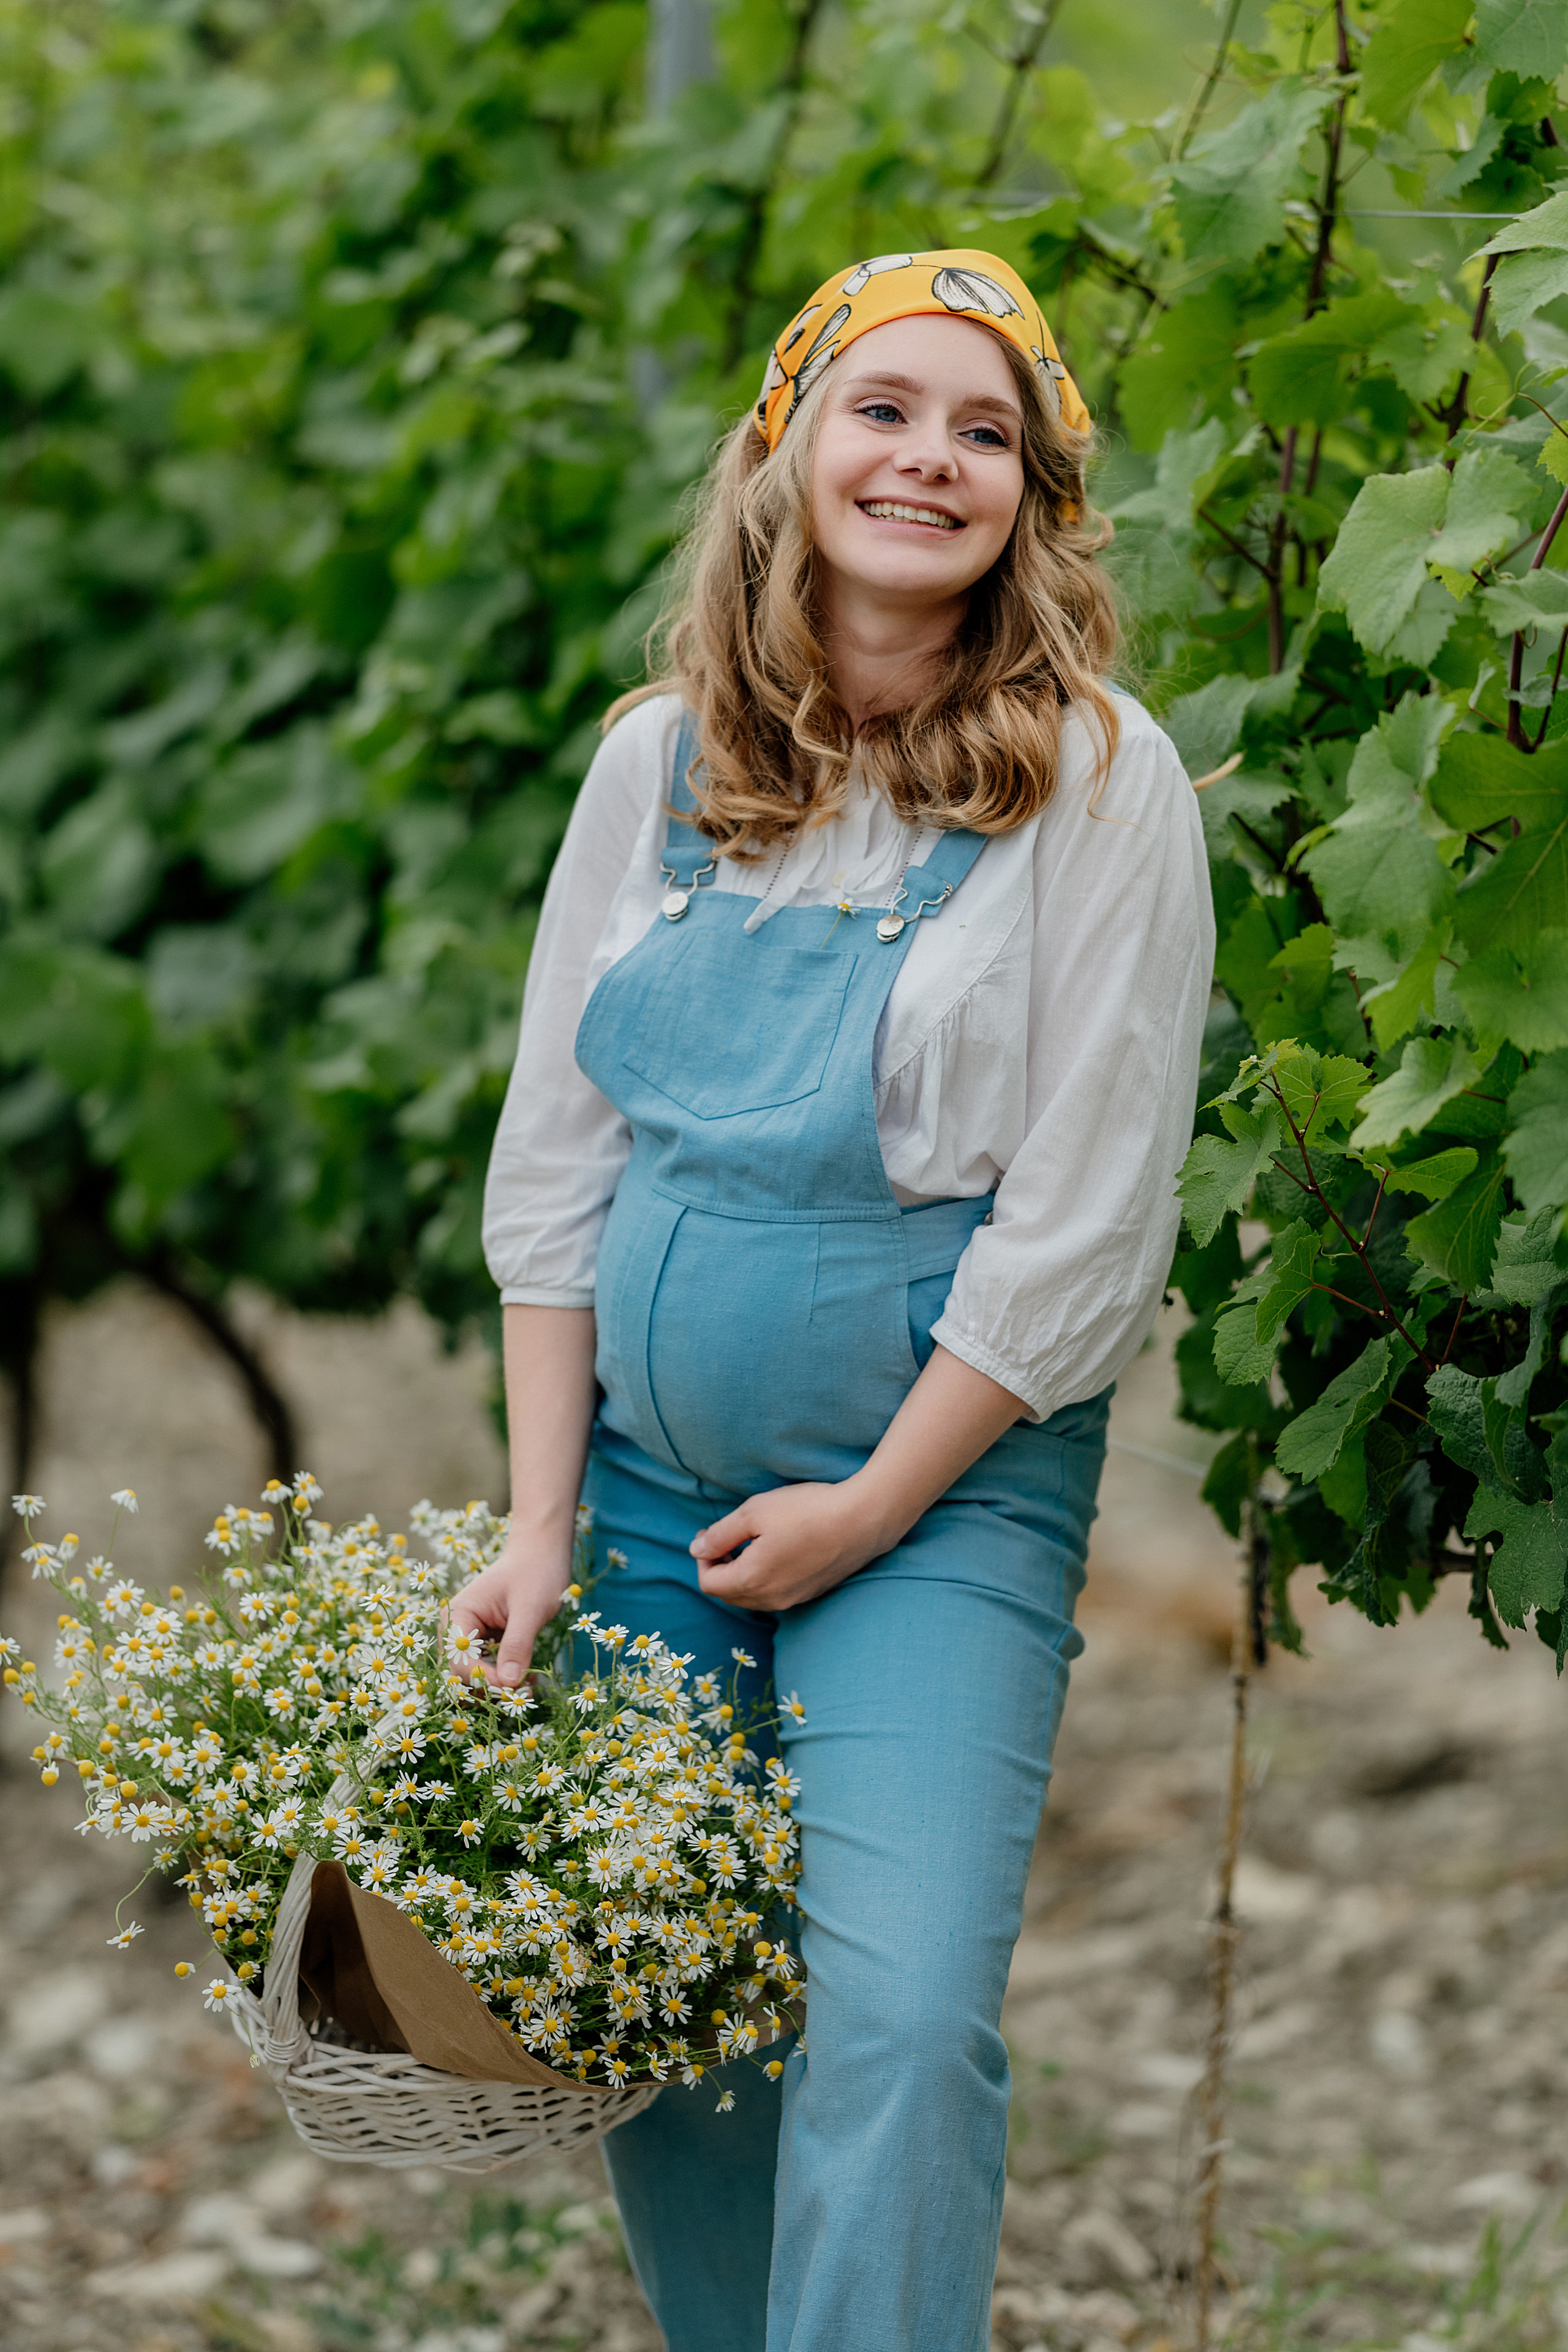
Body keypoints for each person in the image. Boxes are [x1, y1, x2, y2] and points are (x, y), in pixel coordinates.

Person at [456, 249, 1213, 2352]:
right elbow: (558, 1164)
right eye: (886, 408)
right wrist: (537, 1524)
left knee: (892, 2015)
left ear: (1035, 503)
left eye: (990, 433)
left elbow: (1083, 1219)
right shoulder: (659, 763)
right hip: (641, 1494)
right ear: (787, 446)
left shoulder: (1099, 783)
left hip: (936, 1500)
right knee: (675, 2008)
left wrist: (874, 1508)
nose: (930, 460)